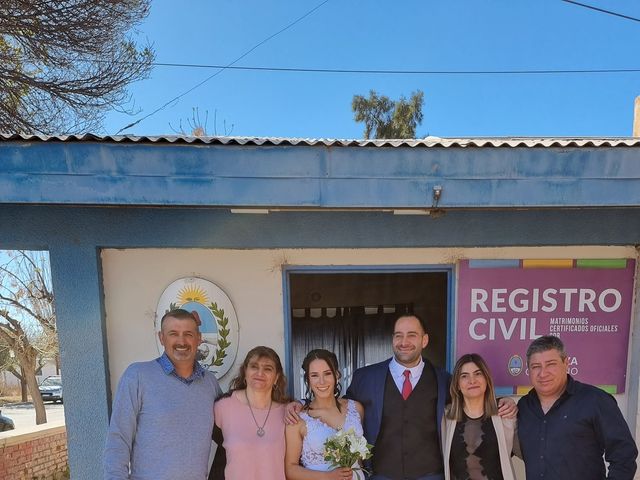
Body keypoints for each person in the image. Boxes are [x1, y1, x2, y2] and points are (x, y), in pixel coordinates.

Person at [287, 314, 516, 480]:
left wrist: (501, 403)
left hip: (430, 474)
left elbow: (469, 403)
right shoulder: (366, 378)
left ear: (424, 340)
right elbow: (334, 404)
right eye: (399, 335)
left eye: (411, 335)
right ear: (392, 339)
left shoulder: (444, 379)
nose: (404, 341)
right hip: (382, 475)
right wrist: (301, 403)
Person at [104, 308, 222, 480]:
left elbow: (232, 434)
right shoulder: (137, 376)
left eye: (188, 334)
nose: (181, 341)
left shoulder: (209, 383)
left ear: (199, 338)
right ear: (161, 337)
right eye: (173, 333)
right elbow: (118, 439)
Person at [517, 335, 637, 480]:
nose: (543, 373)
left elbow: (623, 454)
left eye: (551, 364)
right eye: (536, 367)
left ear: (566, 363)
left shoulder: (595, 400)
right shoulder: (523, 407)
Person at [285, 349, 365, 480]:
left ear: (337, 375)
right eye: (314, 375)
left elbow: (360, 459)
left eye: (327, 373)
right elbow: (290, 469)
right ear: (308, 380)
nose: (321, 382)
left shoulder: (356, 409)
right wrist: (327, 476)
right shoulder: (298, 419)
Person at [211, 346, 289, 480]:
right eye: (254, 367)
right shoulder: (222, 407)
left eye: (267, 369)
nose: (260, 373)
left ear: (276, 378)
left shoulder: (287, 413)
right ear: (245, 372)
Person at [441, 354, 516, 480]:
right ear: (457, 384)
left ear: (486, 379)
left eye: (478, 373)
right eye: (464, 376)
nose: (472, 380)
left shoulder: (505, 413)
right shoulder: (445, 417)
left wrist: (510, 401)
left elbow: (529, 451)